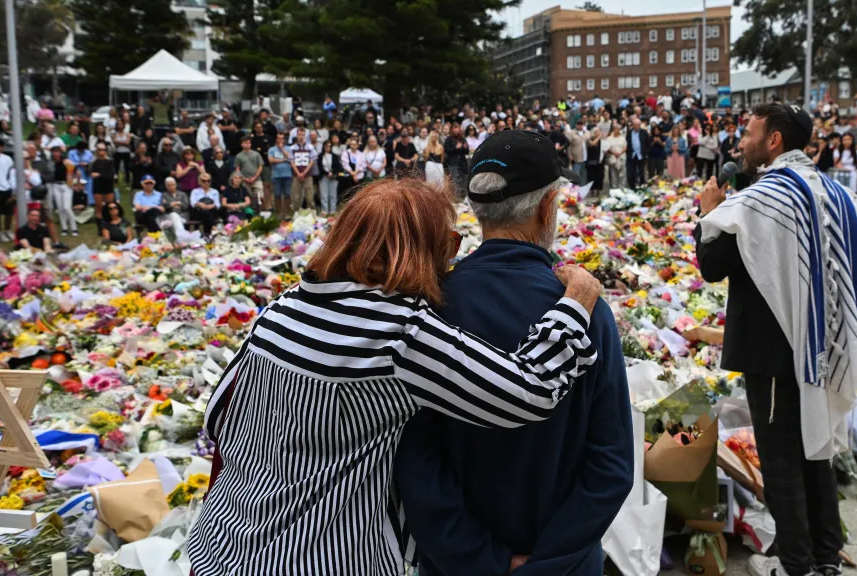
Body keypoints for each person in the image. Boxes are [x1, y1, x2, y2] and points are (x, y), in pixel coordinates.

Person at [187, 176, 602, 576]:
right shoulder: (399, 333)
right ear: (420, 249)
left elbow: (219, 416)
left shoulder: (284, 307)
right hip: (318, 558)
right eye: (450, 245)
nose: (451, 260)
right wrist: (577, 301)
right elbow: (529, 391)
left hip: (220, 544)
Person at [396, 130, 633, 576]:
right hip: (565, 565)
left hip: (457, 565)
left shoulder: (429, 305)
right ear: (548, 206)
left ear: (476, 207)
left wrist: (484, 559)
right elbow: (611, 464)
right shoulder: (583, 307)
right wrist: (545, 565)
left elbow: (416, 461)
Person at [696, 103, 857, 576]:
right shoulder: (837, 194)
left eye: (749, 133)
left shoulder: (764, 199)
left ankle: (797, 565)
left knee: (781, 459)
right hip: (823, 344)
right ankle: (825, 556)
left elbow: (713, 266)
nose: (742, 143)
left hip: (775, 350)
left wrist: (710, 211)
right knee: (816, 450)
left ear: (774, 140)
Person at [46, 146, 76, 236]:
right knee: (60, 208)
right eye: (54, 152)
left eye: (57, 152)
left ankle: (74, 227)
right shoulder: (51, 163)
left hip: (66, 185)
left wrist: (75, 183)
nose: (56, 154)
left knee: (67, 207)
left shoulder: (66, 162)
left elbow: (75, 172)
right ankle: (64, 228)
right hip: (55, 185)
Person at [290, 128, 317, 213]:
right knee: (296, 196)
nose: (301, 136)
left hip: (308, 175)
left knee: (309, 196)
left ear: (305, 136)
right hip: (296, 175)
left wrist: (304, 173)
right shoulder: (292, 148)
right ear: (297, 135)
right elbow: (291, 161)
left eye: (302, 135)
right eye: (299, 135)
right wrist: (298, 173)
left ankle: (312, 214)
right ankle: (296, 214)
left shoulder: (310, 147)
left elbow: (312, 161)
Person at [234, 136, 265, 210]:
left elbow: (260, 166)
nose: (247, 144)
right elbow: (237, 169)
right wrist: (244, 178)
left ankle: (259, 211)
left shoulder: (256, 154)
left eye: (249, 143)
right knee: (247, 197)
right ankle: (250, 212)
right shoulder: (239, 156)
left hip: (257, 179)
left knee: (260, 196)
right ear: (241, 144)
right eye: (245, 143)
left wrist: (255, 177)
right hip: (245, 180)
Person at [268, 133, 293, 219]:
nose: (280, 140)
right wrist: (283, 160)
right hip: (276, 175)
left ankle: (286, 213)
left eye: (282, 139)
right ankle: (279, 212)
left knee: (287, 194)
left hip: (287, 175)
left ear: (284, 140)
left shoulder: (289, 148)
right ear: (276, 139)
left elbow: (290, 159)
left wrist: (282, 149)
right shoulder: (271, 149)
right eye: (279, 138)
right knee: (277, 195)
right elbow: (271, 160)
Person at [89, 143, 115, 218]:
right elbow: (91, 173)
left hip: (108, 185)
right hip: (97, 186)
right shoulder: (93, 162)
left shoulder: (110, 162)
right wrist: (102, 174)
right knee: (98, 206)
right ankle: (100, 221)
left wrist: (99, 174)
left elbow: (110, 175)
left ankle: (109, 220)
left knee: (109, 205)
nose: (102, 151)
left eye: (104, 150)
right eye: (100, 150)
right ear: (97, 151)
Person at [340, 137, 365, 203]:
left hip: (359, 178)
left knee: (358, 196)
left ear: (357, 145)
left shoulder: (361, 154)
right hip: (349, 178)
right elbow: (345, 164)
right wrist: (352, 173)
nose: (352, 146)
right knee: (349, 196)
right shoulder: (346, 153)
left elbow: (363, 165)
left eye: (354, 144)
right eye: (351, 144)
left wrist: (356, 173)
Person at [111, 110, 134, 183]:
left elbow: (127, 142)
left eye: (121, 124)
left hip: (126, 152)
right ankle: (116, 179)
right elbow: (114, 142)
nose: (120, 125)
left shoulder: (127, 133)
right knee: (116, 167)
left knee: (127, 167)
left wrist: (119, 142)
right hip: (117, 152)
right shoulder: (115, 133)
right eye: (118, 124)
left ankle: (127, 180)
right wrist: (123, 143)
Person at [318, 140, 340, 215]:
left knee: (333, 195)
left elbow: (338, 167)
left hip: (333, 177)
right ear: (323, 146)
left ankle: (332, 211)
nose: (328, 147)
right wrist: (327, 173)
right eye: (326, 146)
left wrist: (332, 173)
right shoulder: (320, 156)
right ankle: (324, 211)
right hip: (324, 177)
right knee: (324, 195)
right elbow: (320, 167)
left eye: (330, 146)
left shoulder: (335, 156)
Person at [602, 124, 627, 190]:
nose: (617, 130)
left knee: (622, 174)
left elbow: (625, 147)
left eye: (618, 129)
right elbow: (607, 148)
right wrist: (613, 153)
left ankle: (622, 188)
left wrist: (620, 153)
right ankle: (614, 189)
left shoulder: (622, 138)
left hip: (621, 157)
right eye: (616, 129)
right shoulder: (609, 138)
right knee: (613, 175)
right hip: (613, 158)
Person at [566, 120, 589, 185]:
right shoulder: (572, 133)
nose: (579, 125)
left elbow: (590, 138)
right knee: (576, 175)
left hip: (584, 158)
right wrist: (569, 155)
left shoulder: (586, 132)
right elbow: (568, 145)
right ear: (576, 125)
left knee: (583, 174)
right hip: (576, 158)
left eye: (581, 124)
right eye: (578, 124)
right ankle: (575, 188)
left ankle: (582, 188)